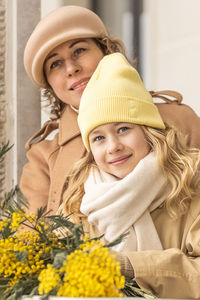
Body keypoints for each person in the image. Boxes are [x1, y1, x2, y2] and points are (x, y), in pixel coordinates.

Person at [20, 5, 200, 216]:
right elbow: (34, 242)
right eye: (55, 64)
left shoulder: (179, 119)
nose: (71, 69)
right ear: (51, 86)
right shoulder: (43, 159)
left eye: (79, 50)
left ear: (106, 51)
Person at [58, 52, 200, 299]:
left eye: (123, 129)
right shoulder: (79, 201)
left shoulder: (190, 182)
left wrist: (129, 266)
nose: (113, 147)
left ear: (148, 130)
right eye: (99, 138)